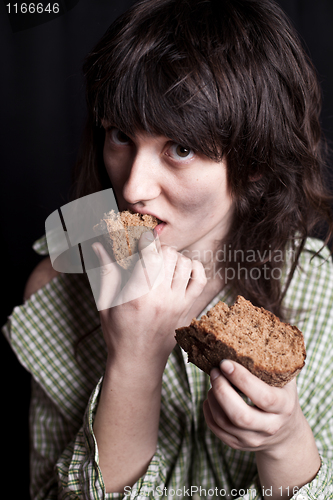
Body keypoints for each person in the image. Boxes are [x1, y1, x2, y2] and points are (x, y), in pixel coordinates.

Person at [3, 0, 333, 498]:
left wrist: (284, 442)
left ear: (256, 163)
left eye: (180, 148)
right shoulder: (57, 290)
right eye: (120, 135)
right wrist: (133, 362)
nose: (133, 186)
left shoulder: (316, 286)